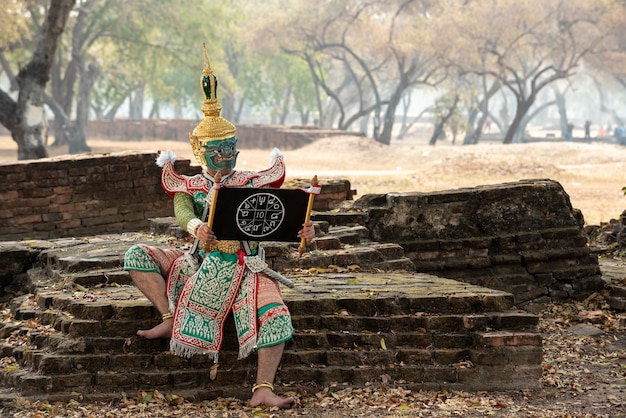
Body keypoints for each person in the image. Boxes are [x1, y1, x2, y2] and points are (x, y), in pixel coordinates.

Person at [123, 45, 315, 409]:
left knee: (275, 316)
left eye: (231, 149)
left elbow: (281, 218)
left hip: (249, 267)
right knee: (137, 255)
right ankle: (167, 315)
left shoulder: (252, 182)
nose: (226, 157)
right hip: (199, 260)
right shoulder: (189, 185)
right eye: (217, 151)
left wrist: (306, 232)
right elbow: (182, 213)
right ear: (199, 151)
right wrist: (197, 227)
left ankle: (263, 389)